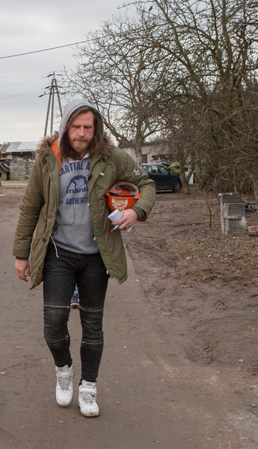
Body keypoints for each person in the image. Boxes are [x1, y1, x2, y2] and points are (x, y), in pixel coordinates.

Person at [13, 100, 155, 417]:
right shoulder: (48, 159)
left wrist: (136, 211)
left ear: (96, 128)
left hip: (96, 256)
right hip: (58, 253)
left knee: (92, 325)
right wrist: (21, 254)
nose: (81, 133)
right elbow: (30, 208)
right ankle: (63, 369)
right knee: (53, 325)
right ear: (65, 128)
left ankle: (88, 387)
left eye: (87, 127)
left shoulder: (111, 157)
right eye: (75, 127)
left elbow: (146, 183)